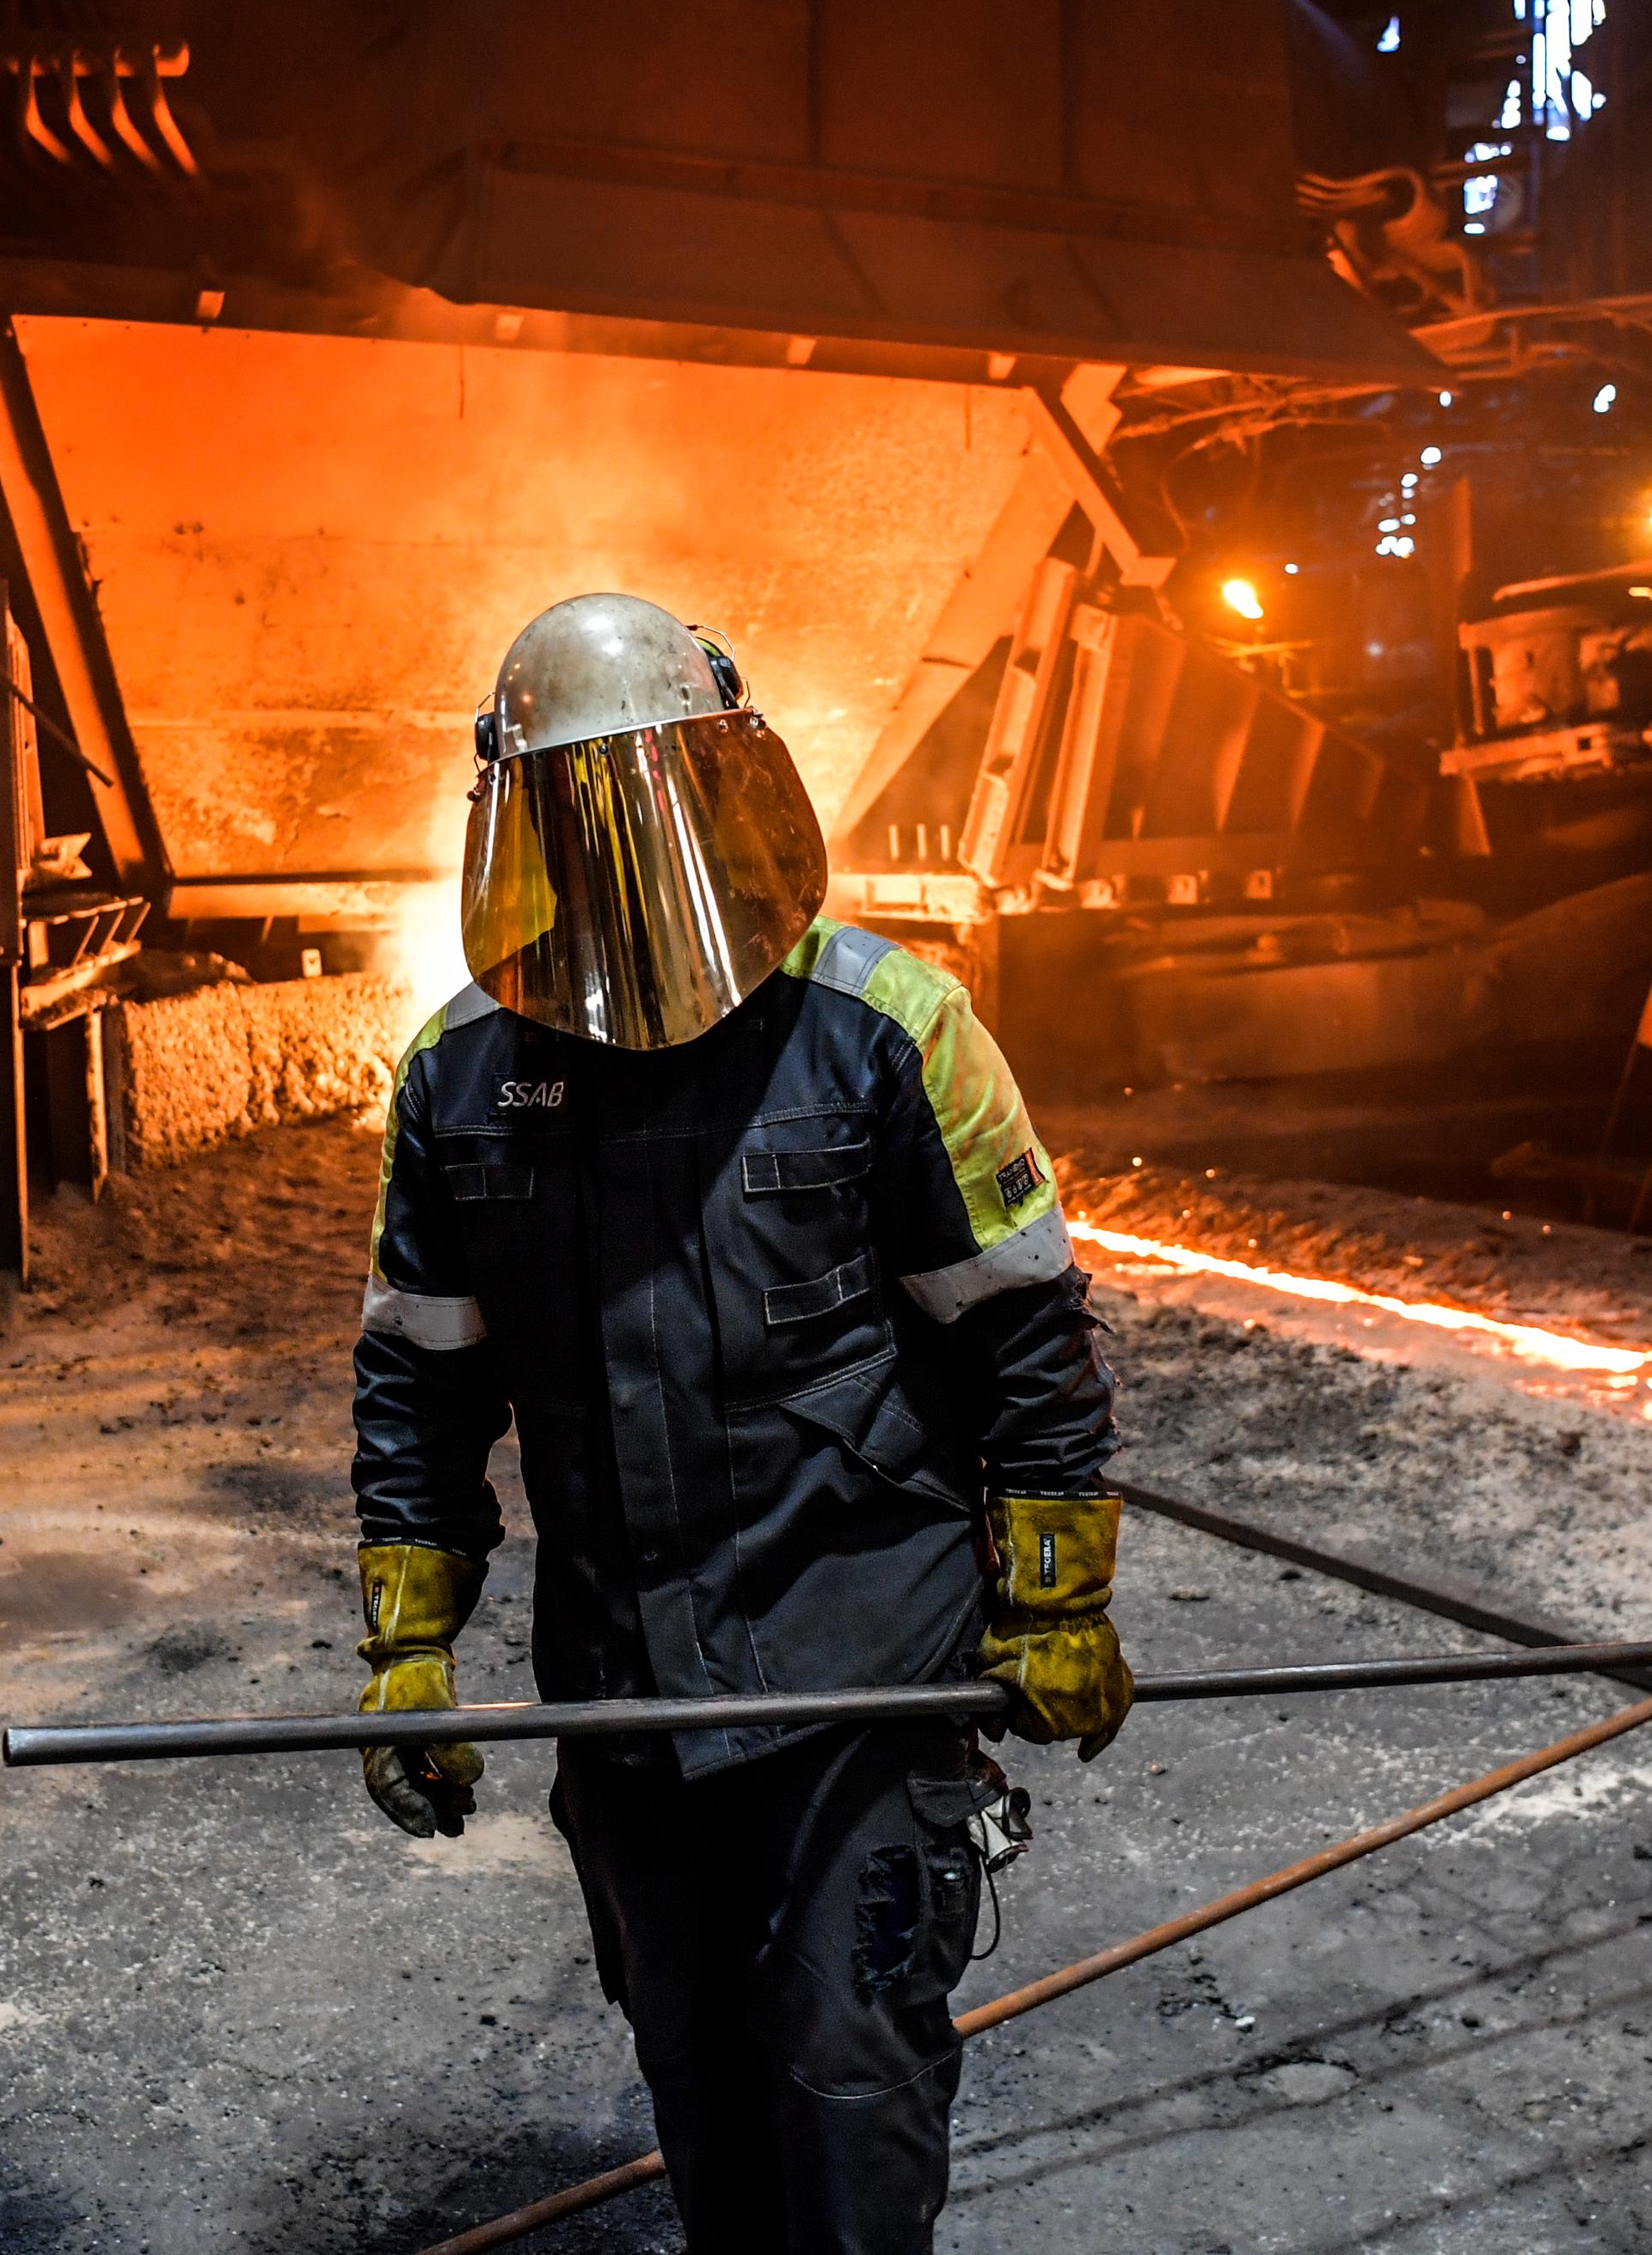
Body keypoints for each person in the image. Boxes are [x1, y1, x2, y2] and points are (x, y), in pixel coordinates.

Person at [348, 593, 1130, 2252]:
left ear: (734, 779)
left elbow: (1022, 1333)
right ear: (514, 820)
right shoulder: (461, 1076)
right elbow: (422, 1379)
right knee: (699, 2089)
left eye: (664, 790)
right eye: (587, 805)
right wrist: (408, 1646)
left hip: (854, 1680)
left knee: (849, 2097)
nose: (632, 846)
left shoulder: (887, 1030)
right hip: (625, 1699)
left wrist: (1055, 1596)